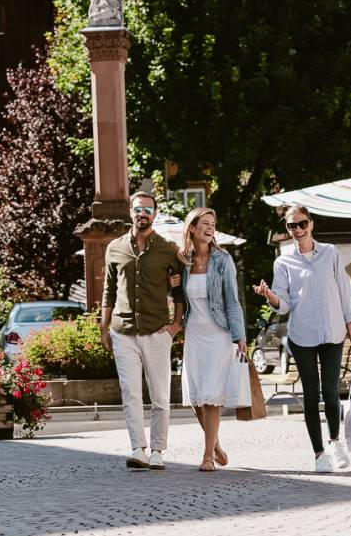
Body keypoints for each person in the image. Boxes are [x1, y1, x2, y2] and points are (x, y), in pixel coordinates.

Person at [254, 206, 351, 472]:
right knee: (311, 395)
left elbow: (343, 293)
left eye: (302, 224)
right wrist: (270, 297)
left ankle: (336, 442)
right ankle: (319, 454)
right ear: (287, 229)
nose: (298, 230)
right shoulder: (283, 262)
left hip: (333, 331)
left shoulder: (331, 253)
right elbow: (285, 305)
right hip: (302, 335)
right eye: (292, 226)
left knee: (332, 392)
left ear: (311, 224)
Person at [100, 192, 185, 469]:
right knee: (131, 393)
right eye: (138, 209)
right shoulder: (114, 248)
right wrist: (104, 326)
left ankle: (158, 450)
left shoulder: (169, 250)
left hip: (157, 331)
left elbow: (179, 290)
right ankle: (138, 448)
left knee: (160, 395)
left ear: (155, 214)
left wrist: (175, 325)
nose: (142, 214)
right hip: (122, 331)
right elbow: (108, 291)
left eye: (148, 209)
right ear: (130, 212)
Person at [178, 208, 247, 471]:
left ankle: (207, 456)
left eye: (213, 224)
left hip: (219, 334)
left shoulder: (223, 260)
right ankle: (215, 443)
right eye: (204, 224)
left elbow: (233, 300)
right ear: (192, 228)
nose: (210, 228)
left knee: (211, 396)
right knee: (196, 397)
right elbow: (176, 294)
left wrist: (239, 336)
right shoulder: (183, 260)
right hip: (194, 333)